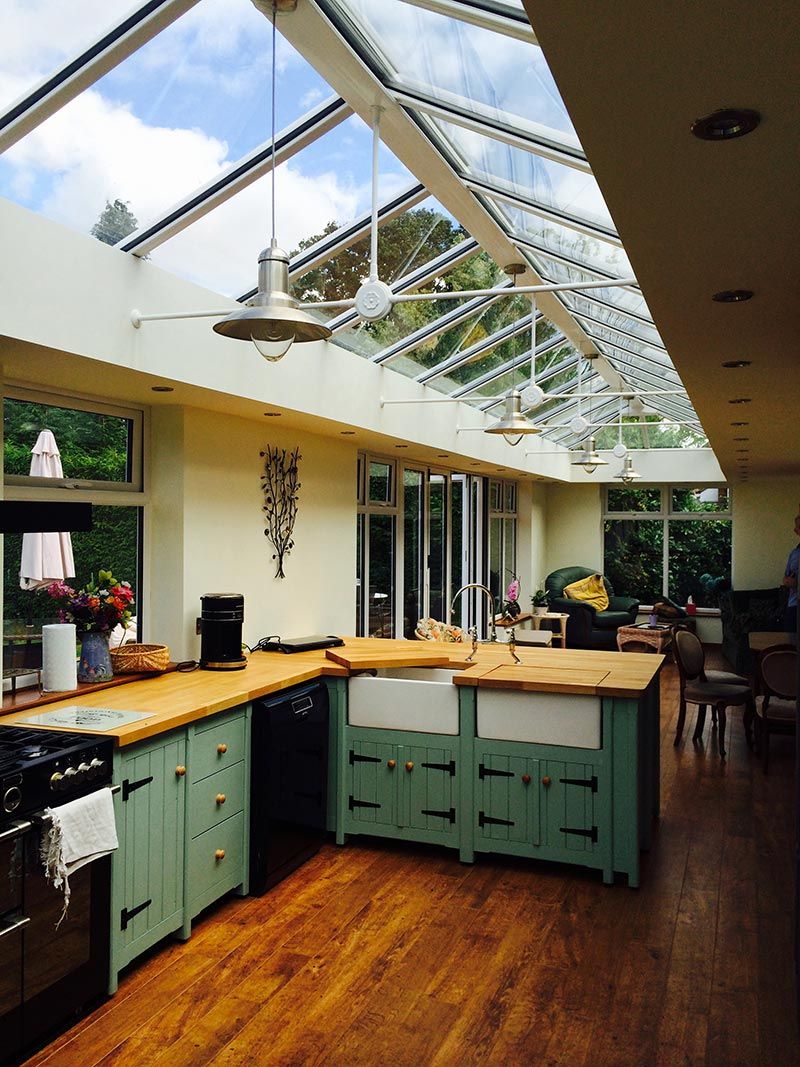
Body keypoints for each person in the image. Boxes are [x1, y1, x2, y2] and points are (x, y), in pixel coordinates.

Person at [780, 513, 800, 632]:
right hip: (794, 604)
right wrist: (789, 581)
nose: (794, 530)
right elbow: (786, 577)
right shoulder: (794, 553)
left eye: (797, 526)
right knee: (791, 641)